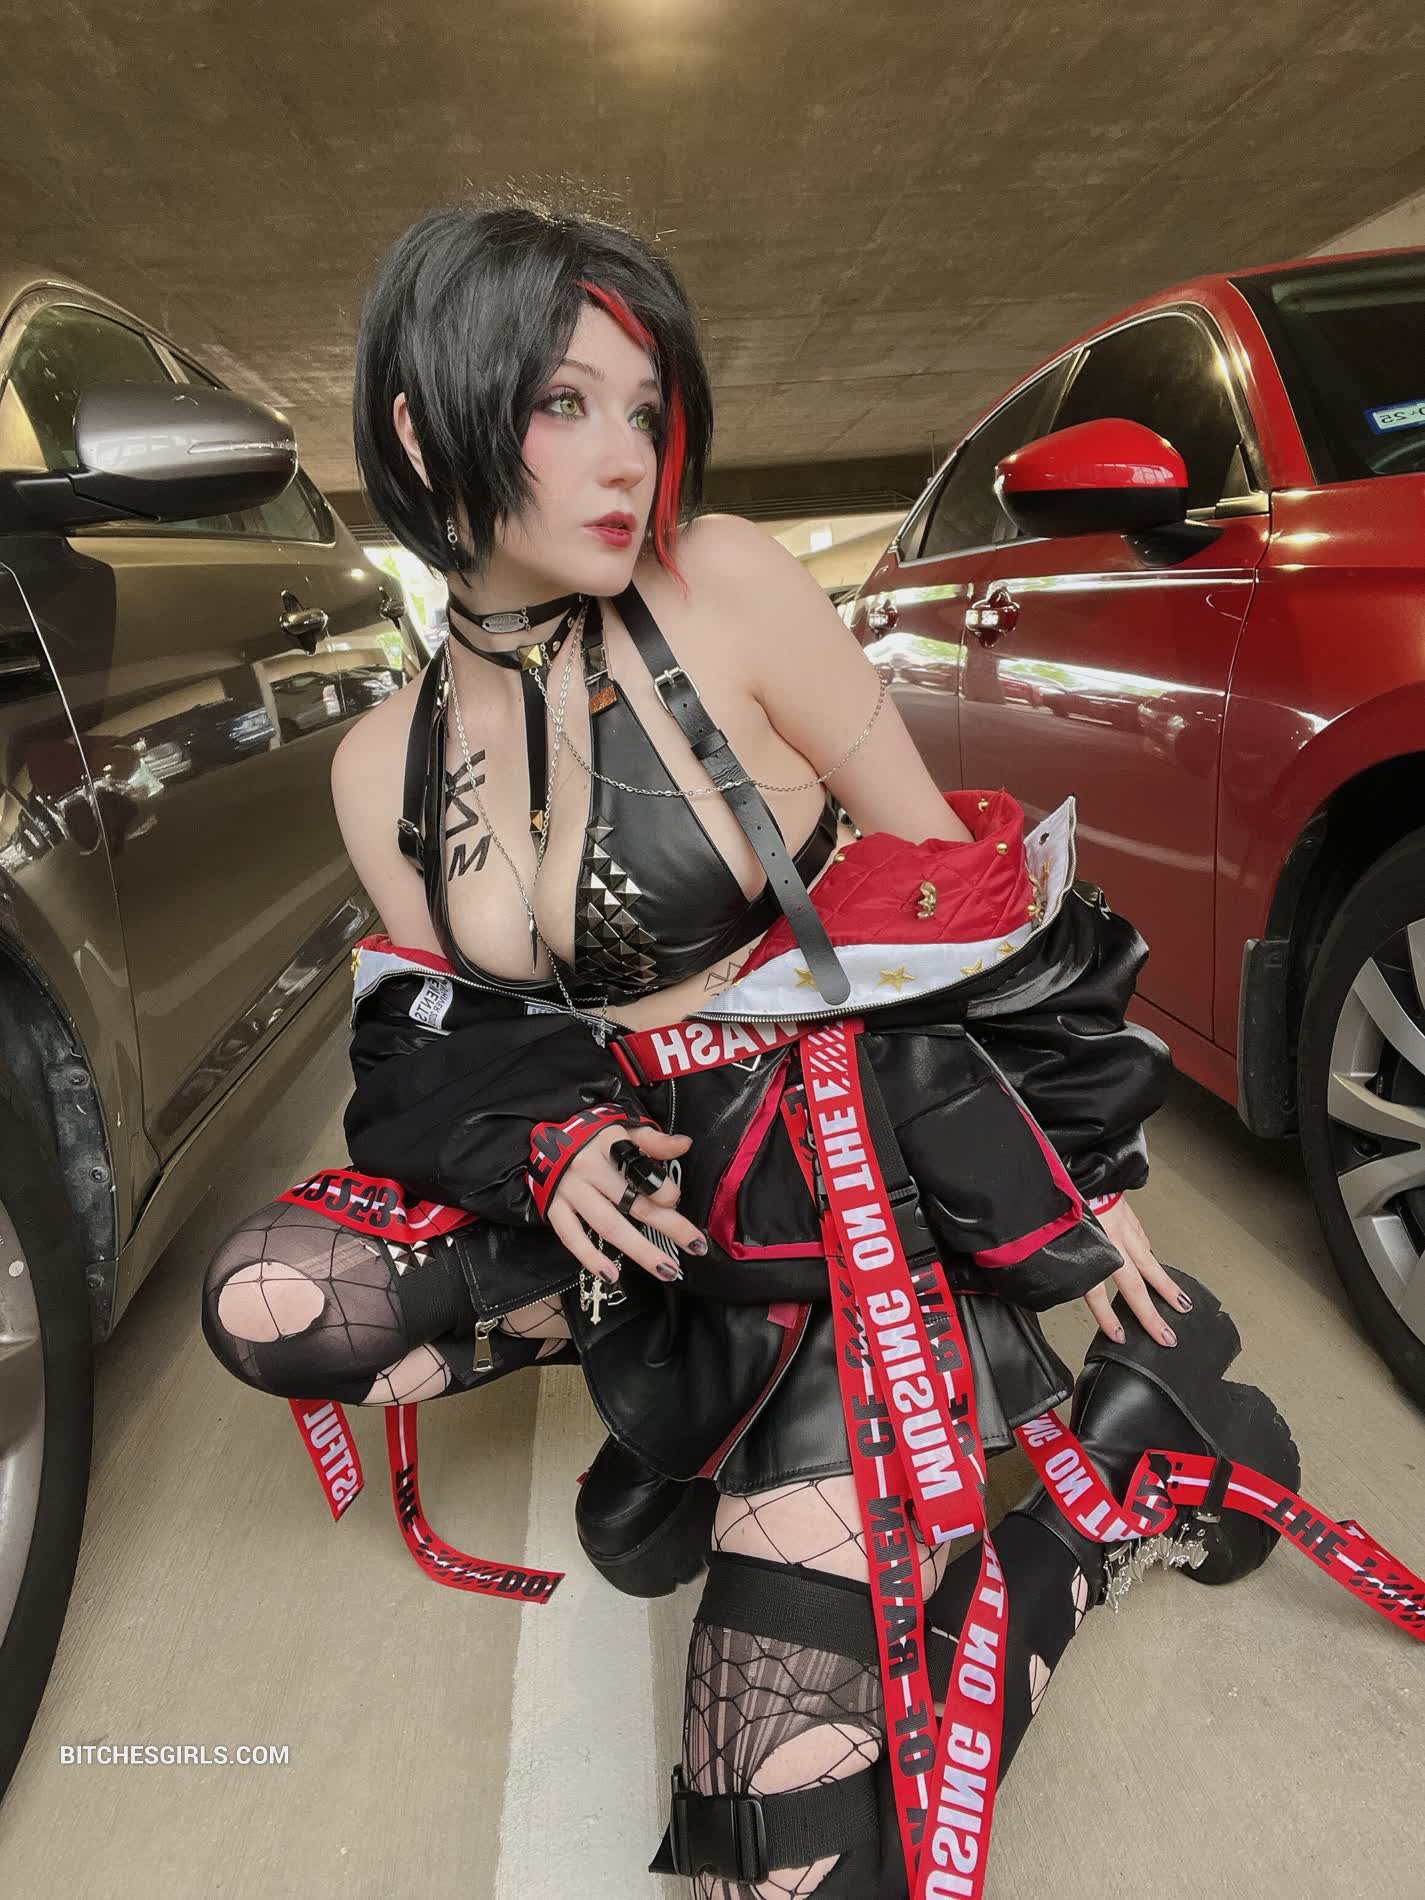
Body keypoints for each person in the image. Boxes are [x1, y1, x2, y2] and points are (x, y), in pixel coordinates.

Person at [201, 203, 1307, 1898]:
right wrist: (553, 1143)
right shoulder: (378, 767)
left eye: (644, 409)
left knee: (771, 1865)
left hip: (831, 1188)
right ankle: (687, 1391)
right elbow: (443, 1042)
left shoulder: (717, 582)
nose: (624, 457)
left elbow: (953, 887)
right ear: (425, 429)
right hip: (643, 1206)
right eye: (562, 402)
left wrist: (1069, 1177)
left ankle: (1114, 1482)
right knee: (274, 1295)